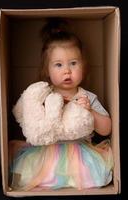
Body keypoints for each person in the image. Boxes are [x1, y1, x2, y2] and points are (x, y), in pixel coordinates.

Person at [9, 18, 113, 191]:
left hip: (79, 153)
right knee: (28, 170)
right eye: (58, 65)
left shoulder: (86, 96)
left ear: (84, 67)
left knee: (94, 175)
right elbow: (30, 123)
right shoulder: (43, 95)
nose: (67, 70)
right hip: (46, 150)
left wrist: (90, 111)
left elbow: (106, 129)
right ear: (47, 70)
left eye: (73, 63)